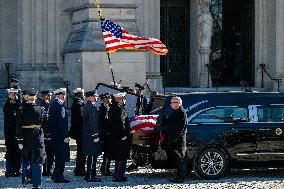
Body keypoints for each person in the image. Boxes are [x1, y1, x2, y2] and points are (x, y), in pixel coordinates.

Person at [17, 89, 46, 189]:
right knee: (37, 160)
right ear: (34, 97)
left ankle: (26, 178)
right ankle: (36, 183)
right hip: (37, 136)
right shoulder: (41, 108)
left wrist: (19, 140)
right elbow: (43, 124)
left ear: (26, 97)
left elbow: (18, 125)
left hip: (26, 136)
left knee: (26, 158)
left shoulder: (21, 109)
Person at [49, 88, 70, 183]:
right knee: (61, 157)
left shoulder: (53, 104)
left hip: (55, 135)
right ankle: (59, 176)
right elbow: (62, 123)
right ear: (61, 95)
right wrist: (66, 136)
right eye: (64, 95)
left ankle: (55, 175)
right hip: (60, 136)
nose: (65, 97)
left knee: (57, 156)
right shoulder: (60, 106)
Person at [108, 92, 131, 182]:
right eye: (123, 98)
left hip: (115, 137)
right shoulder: (119, 109)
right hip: (120, 138)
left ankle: (116, 175)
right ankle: (118, 176)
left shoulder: (113, 107)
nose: (124, 100)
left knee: (119, 157)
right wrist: (124, 136)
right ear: (120, 99)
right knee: (121, 157)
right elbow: (120, 124)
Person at [164, 96, 187, 183]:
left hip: (178, 141)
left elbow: (181, 128)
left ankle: (181, 178)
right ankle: (179, 176)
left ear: (178, 103)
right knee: (178, 160)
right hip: (174, 139)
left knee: (180, 159)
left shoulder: (181, 112)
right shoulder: (176, 111)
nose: (170, 104)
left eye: (172, 103)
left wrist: (174, 139)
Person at [82, 90, 102, 182]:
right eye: (95, 96)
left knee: (90, 156)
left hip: (87, 136)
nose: (96, 97)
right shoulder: (92, 108)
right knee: (92, 156)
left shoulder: (87, 106)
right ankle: (91, 176)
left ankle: (88, 175)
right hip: (91, 136)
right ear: (90, 97)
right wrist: (95, 136)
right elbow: (92, 124)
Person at [3, 88, 21, 177]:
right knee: (10, 152)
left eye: (11, 94)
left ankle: (16, 170)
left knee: (18, 152)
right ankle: (9, 171)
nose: (9, 95)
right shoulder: (8, 104)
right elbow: (10, 120)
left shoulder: (17, 103)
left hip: (16, 133)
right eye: (9, 94)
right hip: (10, 133)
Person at [69, 88, 86, 176]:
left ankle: (78, 169)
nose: (83, 95)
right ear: (79, 94)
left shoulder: (77, 103)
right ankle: (80, 170)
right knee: (81, 152)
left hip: (78, 132)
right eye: (82, 93)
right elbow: (80, 120)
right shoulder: (79, 104)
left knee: (80, 151)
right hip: (80, 132)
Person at [37, 90, 54, 176]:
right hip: (47, 132)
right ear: (46, 96)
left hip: (44, 132)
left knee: (46, 152)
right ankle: (48, 171)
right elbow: (46, 121)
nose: (51, 96)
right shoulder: (45, 106)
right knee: (49, 153)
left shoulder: (42, 105)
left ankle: (46, 170)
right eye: (49, 95)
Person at [98, 92, 112, 176]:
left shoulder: (104, 107)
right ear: (106, 99)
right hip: (106, 134)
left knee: (107, 152)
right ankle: (105, 170)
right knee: (107, 152)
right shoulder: (104, 108)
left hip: (105, 133)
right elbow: (105, 122)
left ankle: (104, 168)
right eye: (109, 98)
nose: (110, 100)